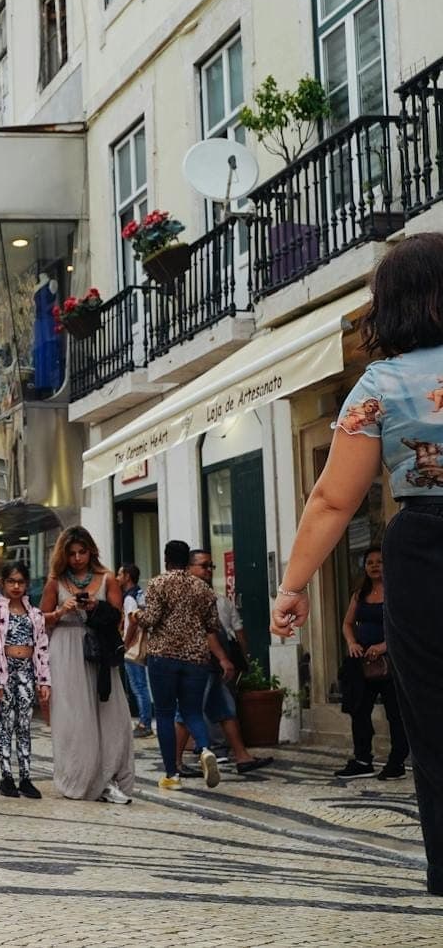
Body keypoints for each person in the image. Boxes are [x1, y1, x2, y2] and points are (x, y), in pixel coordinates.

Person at [273, 235, 443, 896]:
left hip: (425, 545)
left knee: (432, 719)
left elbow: (332, 499)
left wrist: (292, 587)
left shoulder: (380, 387)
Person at [39, 526, 136, 805]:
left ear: (91, 551)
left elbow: (119, 618)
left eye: (83, 552)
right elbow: (40, 619)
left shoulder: (107, 579)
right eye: (72, 554)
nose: (78, 558)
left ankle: (109, 778)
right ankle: (77, 778)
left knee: (110, 716)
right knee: (72, 718)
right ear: (64, 555)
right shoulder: (54, 582)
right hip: (65, 650)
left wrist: (95, 607)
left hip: (100, 651)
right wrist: (62, 610)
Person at [132, 540, 234, 791]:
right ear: (187, 560)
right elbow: (212, 625)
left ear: (166, 559)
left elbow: (151, 618)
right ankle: (205, 748)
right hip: (196, 659)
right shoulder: (203, 589)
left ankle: (171, 775)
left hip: (163, 657)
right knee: (192, 712)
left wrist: (136, 615)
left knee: (165, 714)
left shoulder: (157, 583)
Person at [174, 549, 273, 776]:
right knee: (188, 711)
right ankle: (175, 763)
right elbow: (206, 632)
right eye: (204, 566)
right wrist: (223, 659)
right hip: (199, 662)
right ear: (189, 569)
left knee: (226, 710)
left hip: (210, 663)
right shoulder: (192, 595)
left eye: (211, 566)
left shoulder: (206, 595)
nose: (209, 570)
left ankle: (242, 756)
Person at [337, 547, 406, 779]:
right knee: (359, 711)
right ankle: (362, 759)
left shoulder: (397, 592)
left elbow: (406, 627)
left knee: (395, 713)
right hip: (362, 662)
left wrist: (384, 646)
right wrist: (352, 644)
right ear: (364, 567)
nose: (375, 566)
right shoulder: (360, 594)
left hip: (391, 661)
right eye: (370, 563)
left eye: (380, 561)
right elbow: (347, 624)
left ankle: (397, 761)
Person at [0, 561, 49, 798]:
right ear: (3, 583)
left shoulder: (36, 614)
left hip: (27, 673)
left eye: (20, 581)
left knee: (25, 724)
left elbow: (41, 647)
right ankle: (6, 776)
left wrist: (44, 680)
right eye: (11, 581)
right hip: (4, 671)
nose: (16, 586)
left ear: (27, 584)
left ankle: (26, 777)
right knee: (5, 724)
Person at [118, 564, 154, 737]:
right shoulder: (140, 594)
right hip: (139, 644)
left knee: (139, 686)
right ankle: (144, 720)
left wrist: (126, 642)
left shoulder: (130, 598)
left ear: (127, 577)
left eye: (119, 574)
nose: (117, 578)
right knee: (140, 685)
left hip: (133, 647)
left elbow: (133, 620)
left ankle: (144, 723)